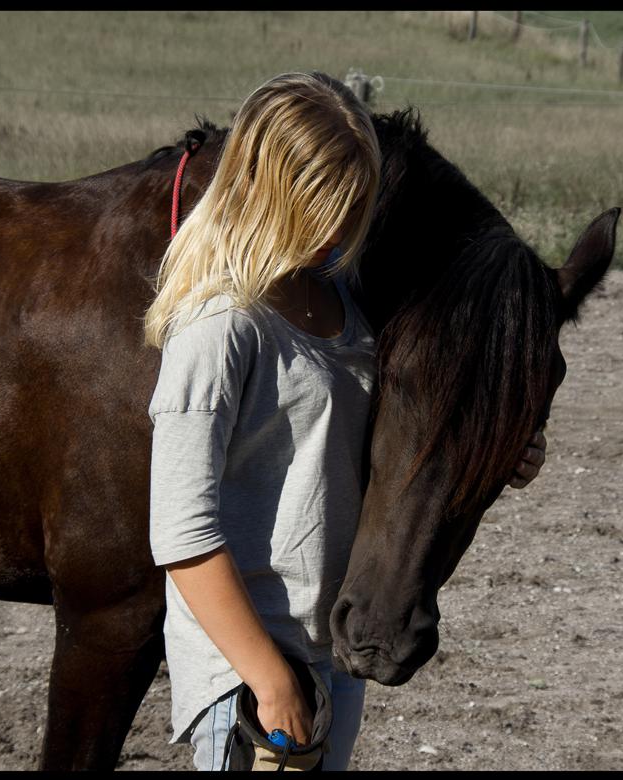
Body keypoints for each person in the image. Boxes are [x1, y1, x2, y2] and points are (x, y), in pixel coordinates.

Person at [143, 71, 546, 772]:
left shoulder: (338, 300)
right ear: (267, 192)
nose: (338, 229)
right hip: (249, 675)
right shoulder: (219, 328)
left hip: (324, 648)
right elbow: (179, 531)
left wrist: (503, 448)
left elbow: (372, 438)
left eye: (354, 208)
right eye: (325, 208)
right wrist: (269, 681)